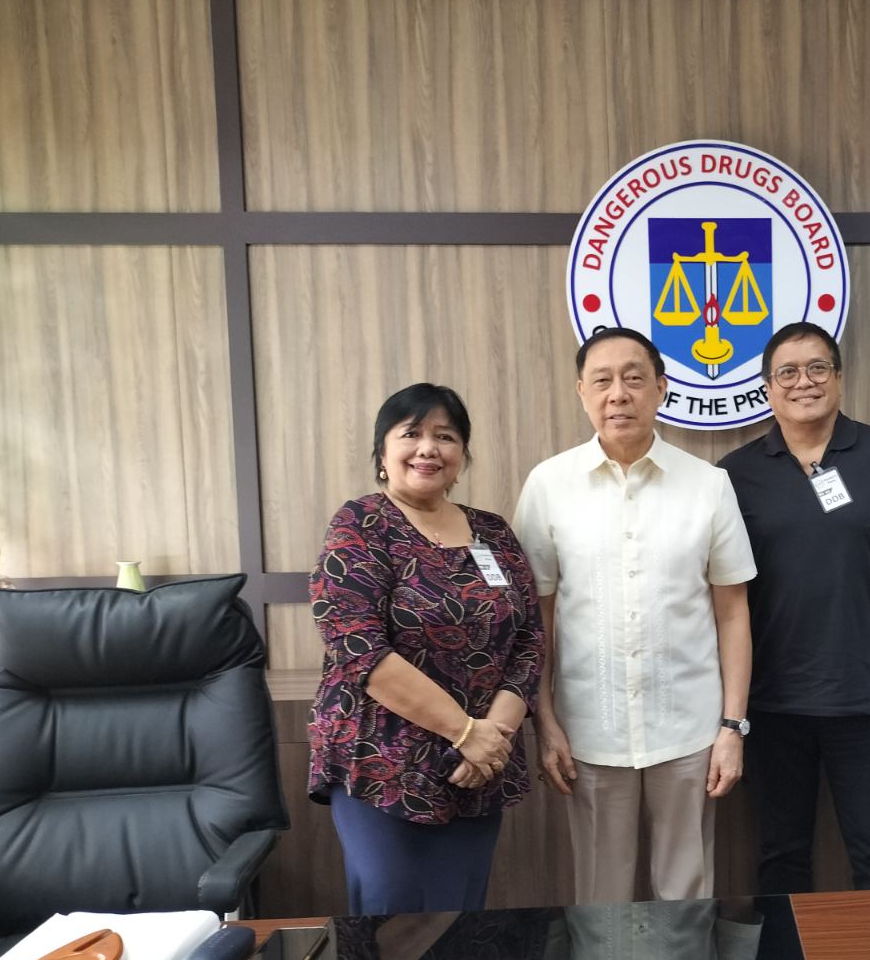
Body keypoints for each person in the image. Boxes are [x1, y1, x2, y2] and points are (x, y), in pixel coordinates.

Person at [513, 326, 755, 904]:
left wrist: (731, 728)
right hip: (587, 731)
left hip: (690, 729)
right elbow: (535, 620)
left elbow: (733, 613)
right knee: (601, 894)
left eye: (633, 378)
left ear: (662, 389)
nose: (617, 393)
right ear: (581, 392)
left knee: (687, 891)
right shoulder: (548, 485)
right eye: (602, 380)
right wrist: (545, 724)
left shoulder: (709, 485)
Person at [720, 322, 870, 894]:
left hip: (862, 697)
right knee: (780, 856)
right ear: (767, 388)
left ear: (840, 378)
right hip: (771, 699)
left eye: (818, 368)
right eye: (788, 373)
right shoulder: (734, 474)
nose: (804, 382)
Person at [308, 383, 544, 915]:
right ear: (383, 453)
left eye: (446, 435)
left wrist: (493, 739)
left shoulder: (493, 533)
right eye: (411, 433)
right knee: (393, 910)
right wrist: (465, 732)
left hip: (477, 764)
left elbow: (529, 637)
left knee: (459, 912)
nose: (428, 448)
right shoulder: (361, 525)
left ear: (462, 455)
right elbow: (358, 649)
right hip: (382, 759)